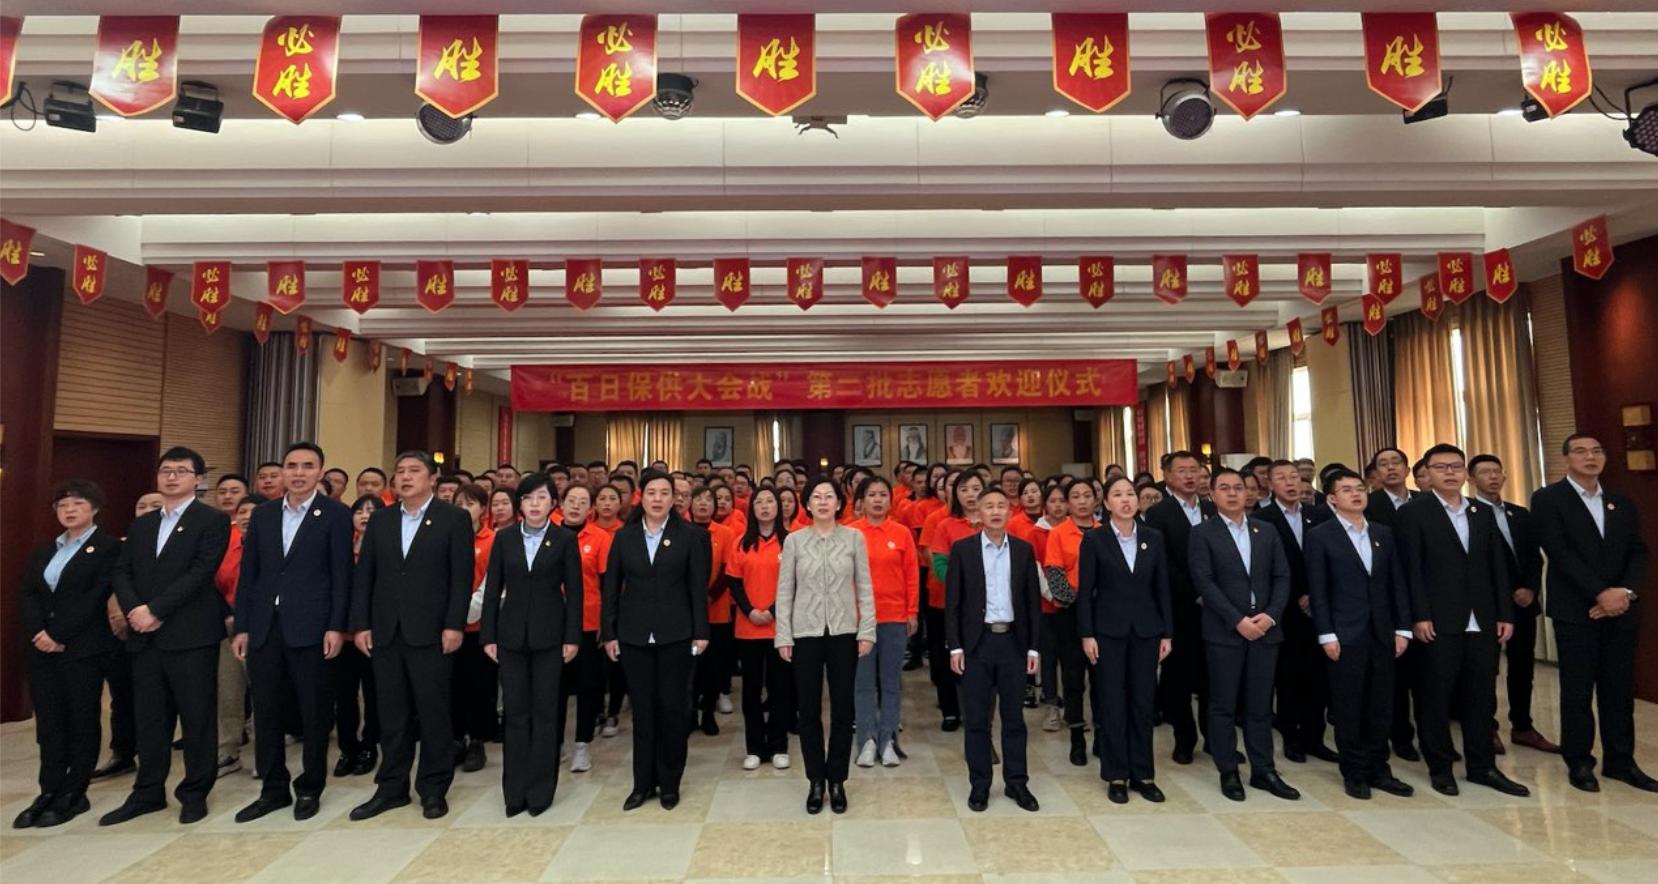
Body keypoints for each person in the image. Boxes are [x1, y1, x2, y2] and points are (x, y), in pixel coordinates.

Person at [102, 447, 232, 826]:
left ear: (198, 479)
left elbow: (200, 572)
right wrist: (135, 610)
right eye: (166, 470)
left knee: (197, 717)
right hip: (145, 636)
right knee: (150, 719)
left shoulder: (212, 520)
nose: (172, 477)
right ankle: (147, 792)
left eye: (181, 471)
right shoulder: (142, 524)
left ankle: (195, 792)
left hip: (190, 635)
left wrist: (156, 610)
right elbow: (121, 571)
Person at [230, 442, 354, 823]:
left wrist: (336, 626)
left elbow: (341, 575)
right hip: (265, 626)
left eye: (307, 466)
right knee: (266, 710)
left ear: (320, 472)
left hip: (313, 627)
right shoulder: (264, 515)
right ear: (283, 471)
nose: (298, 473)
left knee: (313, 710)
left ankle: (310, 786)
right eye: (292, 466)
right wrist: (243, 625)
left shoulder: (335, 514)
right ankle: (273, 788)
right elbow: (249, 574)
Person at [349, 450, 475, 821]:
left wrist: (454, 624)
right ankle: (391, 787)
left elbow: (461, 577)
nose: (405, 477)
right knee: (391, 714)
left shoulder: (453, 519)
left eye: (414, 471)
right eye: (400, 471)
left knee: (433, 713)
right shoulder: (382, 519)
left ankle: (433, 788)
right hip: (386, 631)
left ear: (433, 478)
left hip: (432, 632)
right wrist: (362, 624)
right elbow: (365, 576)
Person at [1396, 443, 1528, 798]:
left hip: (1482, 618)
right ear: (1428, 473)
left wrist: (1504, 612)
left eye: (1455, 466)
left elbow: (1497, 566)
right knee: (1435, 697)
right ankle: (1440, 767)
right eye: (1441, 467)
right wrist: (1419, 615)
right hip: (1436, 619)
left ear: (1465, 473)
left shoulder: (1480, 511)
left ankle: (1483, 766)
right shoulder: (1414, 512)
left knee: (1481, 696)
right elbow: (1411, 569)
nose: (1449, 473)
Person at [1531, 433, 1656, 793]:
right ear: (1567, 458)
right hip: (1577, 609)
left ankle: (1621, 761)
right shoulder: (1548, 499)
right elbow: (1559, 552)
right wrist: (1600, 593)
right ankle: (1580, 761)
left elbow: (1638, 551)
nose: (1590, 457)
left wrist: (1624, 592)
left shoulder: (1620, 500)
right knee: (1577, 689)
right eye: (1581, 451)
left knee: (1619, 689)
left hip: (1622, 609)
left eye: (1597, 451)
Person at [14, 481, 122, 829]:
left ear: (95, 508)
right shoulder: (46, 550)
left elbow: (95, 596)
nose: (69, 510)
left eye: (77, 503)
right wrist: (39, 633)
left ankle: (75, 791)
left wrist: (59, 634)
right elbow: (29, 593)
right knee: (49, 723)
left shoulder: (107, 548)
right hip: (42, 649)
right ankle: (49, 789)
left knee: (81, 719)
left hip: (83, 648)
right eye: (62, 505)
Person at [601, 470, 711, 812]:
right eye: (652, 493)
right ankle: (642, 784)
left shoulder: (689, 536)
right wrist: (609, 632)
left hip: (677, 634)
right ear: (641, 497)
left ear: (674, 498)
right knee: (643, 712)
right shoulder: (625, 537)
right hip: (634, 635)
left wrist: (701, 631)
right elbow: (611, 589)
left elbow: (697, 587)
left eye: (665, 493)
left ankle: (670, 783)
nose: (658, 499)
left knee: (673, 711)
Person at [1190, 468, 1299, 803]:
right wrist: (1238, 620)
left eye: (1238, 487)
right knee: (1223, 705)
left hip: (1265, 630)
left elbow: (1282, 576)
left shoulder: (1265, 530)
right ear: (1212, 494)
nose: (1233, 493)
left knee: (1260, 706)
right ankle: (1228, 771)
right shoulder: (1202, 533)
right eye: (1224, 488)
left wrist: (1271, 615)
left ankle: (1264, 770)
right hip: (1225, 631)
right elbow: (1204, 582)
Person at [1305, 468, 1416, 800]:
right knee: (1349, 706)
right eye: (1347, 490)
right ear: (1331, 498)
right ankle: (1354, 771)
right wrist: (1326, 634)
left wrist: (1402, 627)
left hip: (1382, 631)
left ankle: (1379, 768)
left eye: (1360, 488)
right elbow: (1318, 589)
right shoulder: (1321, 536)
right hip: (1344, 632)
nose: (1356, 494)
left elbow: (1397, 583)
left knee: (1382, 705)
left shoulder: (1382, 532)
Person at [480, 473, 582, 816]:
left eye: (542, 498)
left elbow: (575, 593)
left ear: (553, 503)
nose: (535, 504)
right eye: (528, 498)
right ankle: (514, 792)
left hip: (550, 637)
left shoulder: (564, 539)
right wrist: (488, 635)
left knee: (546, 714)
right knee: (515, 713)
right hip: (510, 636)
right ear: (519, 504)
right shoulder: (505, 538)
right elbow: (492, 589)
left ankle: (540, 791)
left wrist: (572, 637)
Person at [775, 476, 876, 814]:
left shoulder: (854, 538)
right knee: (808, 711)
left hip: (845, 633)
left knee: (843, 710)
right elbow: (784, 592)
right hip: (804, 633)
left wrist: (867, 630)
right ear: (807, 504)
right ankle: (816, 780)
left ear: (838, 503)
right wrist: (783, 634)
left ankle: (837, 780)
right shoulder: (794, 541)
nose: (822, 502)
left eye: (828, 496)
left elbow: (865, 587)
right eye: (816, 497)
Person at [945, 486, 1042, 813]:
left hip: (1013, 643)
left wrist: (1033, 648)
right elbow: (953, 604)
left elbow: (1032, 604)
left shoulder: (1024, 550)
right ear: (979, 512)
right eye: (989, 506)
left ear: (1010, 512)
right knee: (976, 720)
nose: (996, 511)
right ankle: (980, 784)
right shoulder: (963, 550)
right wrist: (955, 646)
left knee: (1014, 718)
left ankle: (1017, 782)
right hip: (977, 644)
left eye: (1002, 505)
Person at [1076, 476, 1171, 805]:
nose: (1126, 500)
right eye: (1117, 495)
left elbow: (1162, 588)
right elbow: (1085, 592)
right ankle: (1116, 774)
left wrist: (1167, 632)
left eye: (1130, 493)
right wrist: (1087, 634)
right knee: (1112, 703)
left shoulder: (1153, 537)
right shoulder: (1095, 539)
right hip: (1108, 632)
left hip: (1147, 631)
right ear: (1106, 503)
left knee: (1143, 703)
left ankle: (1144, 773)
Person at [1469, 453, 1559, 756]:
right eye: (1485, 472)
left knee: (1522, 666)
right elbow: (1478, 564)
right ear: (1472, 479)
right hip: (1488, 605)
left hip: (1523, 603)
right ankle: (1488, 727)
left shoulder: (1519, 513)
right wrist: (1508, 592)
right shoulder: (1467, 514)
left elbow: (1535, 556)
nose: (1493, 477)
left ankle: (1522, 725)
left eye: (1497, 471)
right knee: (1486, 669)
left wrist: (1530, 588)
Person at [1251, 460, 1335, 764]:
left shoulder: (1320, 515)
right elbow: (1265, 568)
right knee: (1288, 677)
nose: (1290, 483)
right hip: (1283, 610)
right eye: (1282, 478)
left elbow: (1328, 559)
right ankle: (1292, 737)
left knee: (1319, 677)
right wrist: (1296, 595)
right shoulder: (1261, 520)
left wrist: (1314, 595)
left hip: (1320, 608)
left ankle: (1315, 736)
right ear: (1269, 484)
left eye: (1294, 477)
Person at [1142, 451, 1215, 765]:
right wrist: (1197, 592)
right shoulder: (1158, 514)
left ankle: (1215, 738)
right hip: (1180, 607)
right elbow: (1163, 563)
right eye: (1182, 471)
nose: (1189, 476)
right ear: (1168, 476)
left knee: (1214, 676)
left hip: (1217, 609)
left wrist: (1215, 594)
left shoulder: (1212, 508)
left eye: (1194, 470)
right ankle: (1185, 739)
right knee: (1179, 677)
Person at [92, 493, 163, 783]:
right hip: (122, 628)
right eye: (141, 506)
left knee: (155, 701)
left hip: (161, 626)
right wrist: (118, 611)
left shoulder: (177, 541)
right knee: (122, 696)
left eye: (155, 506)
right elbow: (112, 580)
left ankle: (152, 759)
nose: (146, 510)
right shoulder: (122, 544)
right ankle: (122, 753)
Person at [850, 476, 919, 768]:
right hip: (859, 620)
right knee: (863, 683)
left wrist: (912, 611)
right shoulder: (851, 532)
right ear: (861, 501)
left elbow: (912, 574)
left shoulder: (901, 533)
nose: (877, 500)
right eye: (872, 495)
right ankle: (866, 739)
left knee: (891, 683)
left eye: (882, 495)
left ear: (891, 501)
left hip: (894, 616)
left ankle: (888, 739)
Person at [727, 487, 794, 770]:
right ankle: (754, 747)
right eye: (759, 502)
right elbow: (733, 582)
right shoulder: (740, 543)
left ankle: (778, 745)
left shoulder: (791, 541)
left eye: (770, 501)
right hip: (748, 628)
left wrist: (772, 611)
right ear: (751, 508)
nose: (765, 506)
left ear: (779, 507)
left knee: (781, 689)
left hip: (782, 629)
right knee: (751, 691)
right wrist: (750, 611)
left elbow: (796, 582)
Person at [1041, 478, 1099, 767]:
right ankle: (1077, 738)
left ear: (1096, 500)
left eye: (1087, 495)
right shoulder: (1059, 533)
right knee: (1074, 677)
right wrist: (1080, 601)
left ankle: (1103, 735)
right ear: (1067, 503)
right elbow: (1054, 573)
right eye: (1075, 496)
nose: (1082, 501)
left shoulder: (1106, 531)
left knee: (1103, 678)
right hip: (1071, 613)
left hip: (1103, 614)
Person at [560, 483, 613, 774]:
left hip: (588, 622)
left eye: (582, 502)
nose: (576, 506)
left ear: (590, 509)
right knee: (554, 686)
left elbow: (608, 585)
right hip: (552, 623)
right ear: (560, 504)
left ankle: (582, 744)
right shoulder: (549, 534)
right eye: (571, 500)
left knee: (588, 685)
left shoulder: (600, 538)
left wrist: (607, 623)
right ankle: (555, 742)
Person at [925, 471, 982, 731]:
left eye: (976, 488)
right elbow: (939, 565)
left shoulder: (993, 522)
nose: (971, 495)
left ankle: (978, 713)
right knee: (950, 656)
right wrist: (966, 586)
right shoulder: (945, 525)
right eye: (964, 489)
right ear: (954, 494)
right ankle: (950, 710)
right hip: (952, 603)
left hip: (988, 608)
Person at [451, 484, 499, 773]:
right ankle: (456, 739)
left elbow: (492, 584)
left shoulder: (493, 540)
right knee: (451, 686)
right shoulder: (446, 534)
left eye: (470, 503)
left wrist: (465, 613)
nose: (463, 509)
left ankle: (477, 742)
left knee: (478, 687)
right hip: (447, 626)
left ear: (483, 508)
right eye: (458, 503)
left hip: (478, 625)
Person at [334, 495, 383, 777]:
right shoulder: (341, 546)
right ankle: (347, 748)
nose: (365, 515)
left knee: (373, 695)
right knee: (344, 696)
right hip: (342, 635)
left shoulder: (385, 547)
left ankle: (369, 745)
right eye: (359, 511)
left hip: (374, 633)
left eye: (372, 511)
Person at [688, 486, 738, 735]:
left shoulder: (726, 533)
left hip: (716, 610)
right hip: (687, 612)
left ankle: (708, 712)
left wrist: (708, 596)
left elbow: (729, 569)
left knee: (713, 665)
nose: (703, 503)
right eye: (698, 499)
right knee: (689, 667)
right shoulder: (681, 530)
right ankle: (689, 714)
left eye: (708, 499)